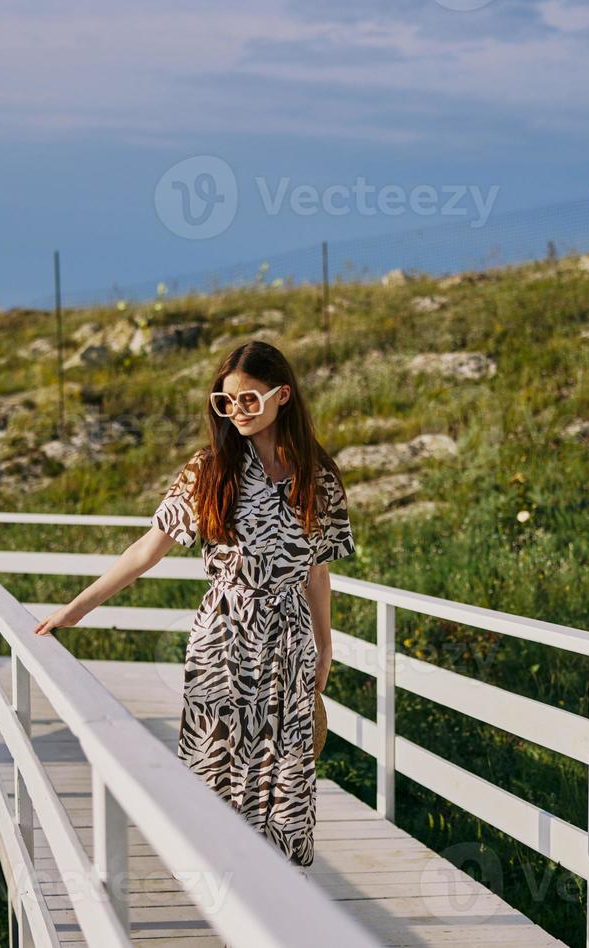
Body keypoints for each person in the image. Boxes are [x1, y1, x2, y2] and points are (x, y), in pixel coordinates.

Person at [35, 340, 356, 872]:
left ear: (283, 395)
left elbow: (317, 572)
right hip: (224, 639)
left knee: (284, 774)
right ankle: (219, 889)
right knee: (217, 767)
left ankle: (268, 897)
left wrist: (325, 646)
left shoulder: (317, 476)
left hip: (290, 644)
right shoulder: (210, 469)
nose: (236, 412)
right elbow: (146, 549)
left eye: (248, 400)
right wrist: (76, 610)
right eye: (225, 402)